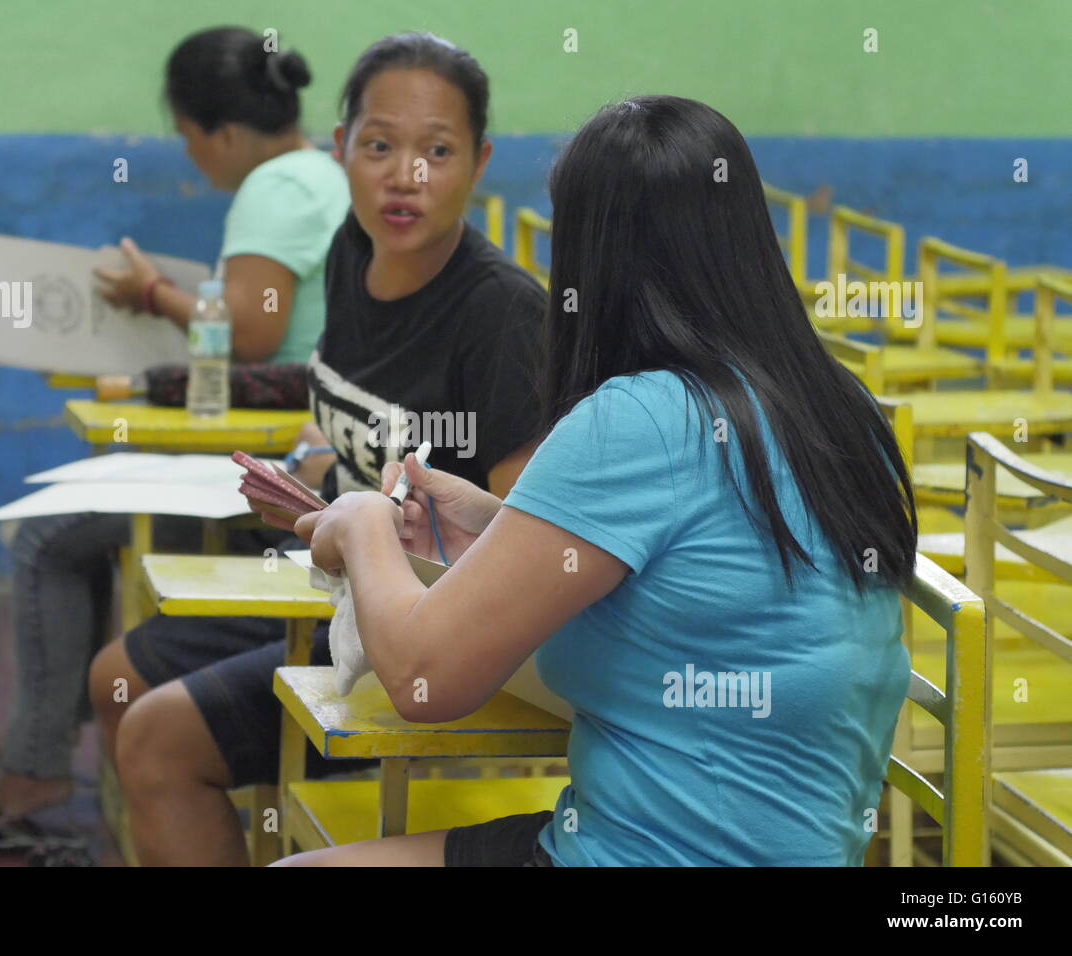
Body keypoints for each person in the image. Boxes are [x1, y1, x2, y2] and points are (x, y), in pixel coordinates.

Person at [277, 94, 918, 867]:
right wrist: (493, 525)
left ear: (591, 252)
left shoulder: (642, 418)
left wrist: (359, 522)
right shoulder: (835, 403)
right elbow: (693, 579)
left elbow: (422, 683)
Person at [88, 33, 546, 865]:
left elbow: (529, 548)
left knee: (156, 736)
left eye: (437, 151)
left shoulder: (504, 317)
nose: (405, 175)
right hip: (323, 587)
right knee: (127, 697)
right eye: (379, 146)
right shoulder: (353, 251)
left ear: (478, 162)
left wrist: (381, 557)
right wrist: (308, 475)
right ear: (341, 151)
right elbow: (342, 408)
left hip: (423, 648)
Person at [0, 26, 348, 850]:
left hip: (274, 455)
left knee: (49, 538)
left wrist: (153, 294)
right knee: (75, 539)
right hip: (290, 438)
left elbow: (255, 340)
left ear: (222, 133)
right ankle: (40, 729)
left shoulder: (275, 188)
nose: (194, 159)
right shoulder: (321, 177)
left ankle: (38, 758)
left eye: (190, 141)